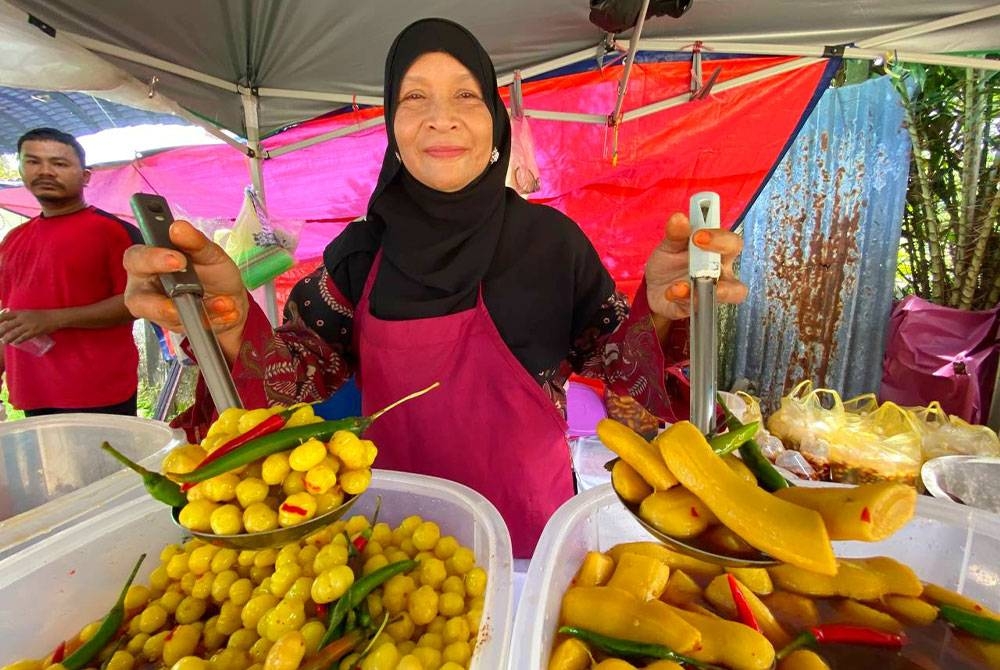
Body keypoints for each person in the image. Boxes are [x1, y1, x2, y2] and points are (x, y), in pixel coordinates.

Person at [124, 19, 746, 556]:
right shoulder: (358, 255)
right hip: (398, 536)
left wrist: (662, 313)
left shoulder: (552, 244)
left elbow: (624, 379)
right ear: (393, 124)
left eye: (466, 96)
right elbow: (288, 383)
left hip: (532, 534)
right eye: (415, 96)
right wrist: (227, 323)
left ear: (496, 121)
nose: (440, 117)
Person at [0, 128, 142, 416]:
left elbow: (138, 301)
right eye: (33, 162)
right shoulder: (13, 239)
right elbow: (10, 316)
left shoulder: (112, 232)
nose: (46, 172)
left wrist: (54, 319)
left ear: (85, 175)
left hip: (97, 391)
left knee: (106, 463)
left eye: (59, 164)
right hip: (33, 390)